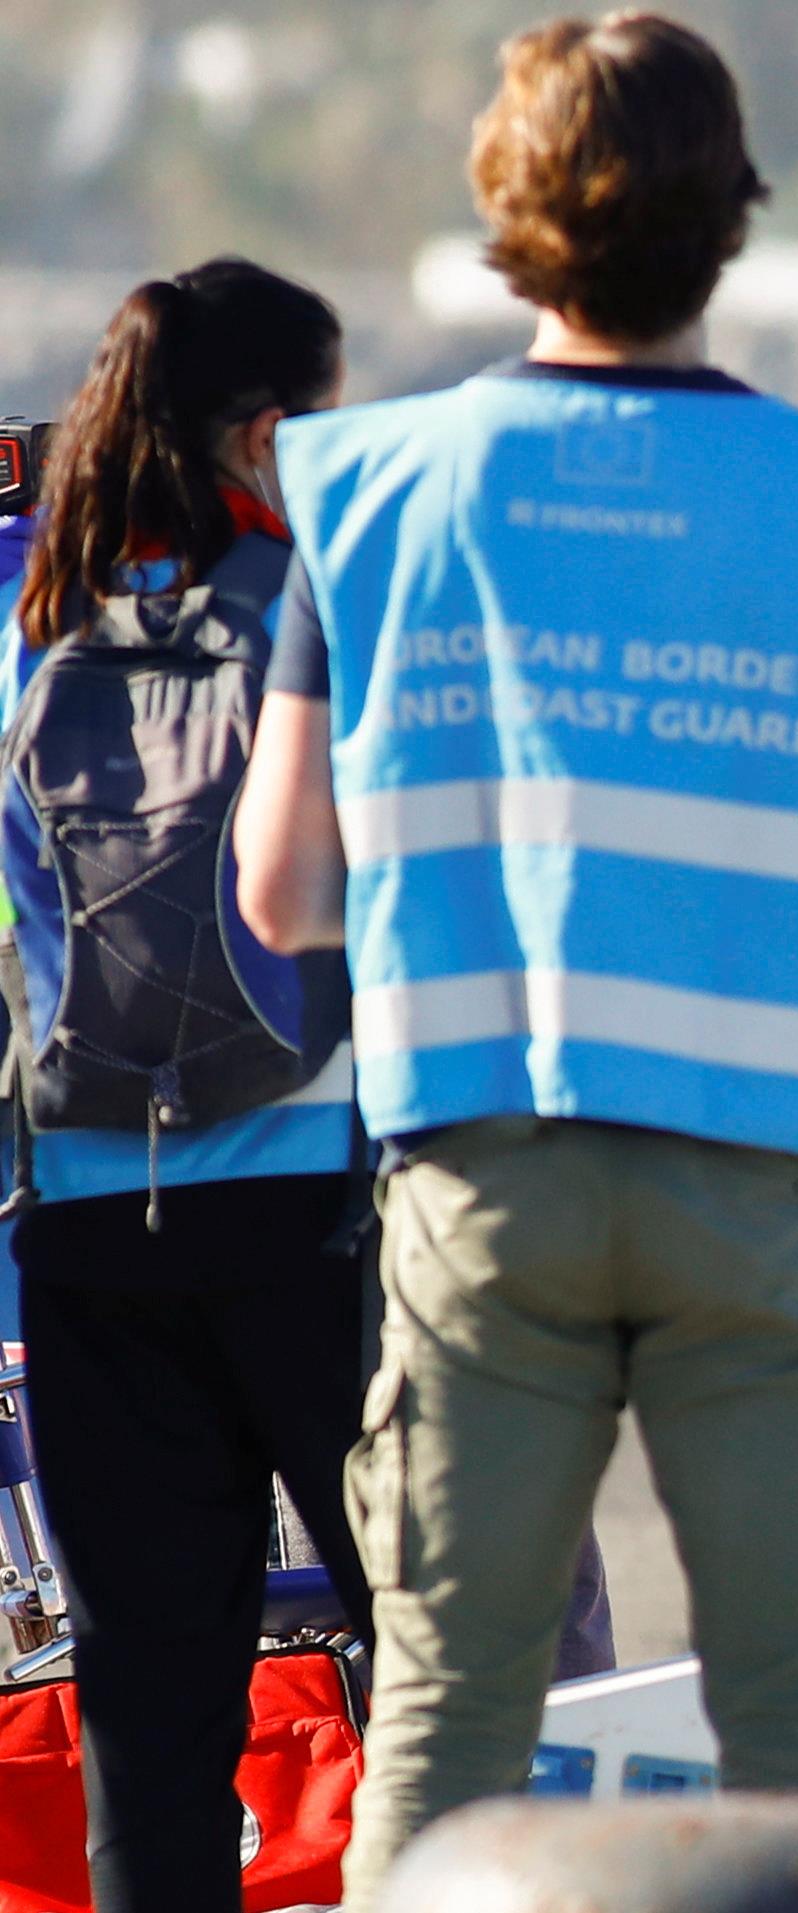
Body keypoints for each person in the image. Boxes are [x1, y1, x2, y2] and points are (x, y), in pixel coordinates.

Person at [228, 13, 798, 1897]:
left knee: (448, 1715)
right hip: (756, 1182)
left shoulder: (371, 488)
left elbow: (278, 888)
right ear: (729, 220)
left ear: (510, 218)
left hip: (485, 1180)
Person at [0, 258, 374, 1913]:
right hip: (319, 1218)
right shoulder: (323, 611)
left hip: (87, 1230)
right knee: (435, 1661)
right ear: (271, 428)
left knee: (149, 1722)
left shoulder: (30, 622)